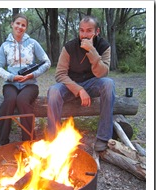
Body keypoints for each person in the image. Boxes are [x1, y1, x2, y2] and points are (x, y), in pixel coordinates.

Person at [47, 15, 115, 151]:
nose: (84, 34)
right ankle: (53, 137)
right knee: (53, 91)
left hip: (93, 83)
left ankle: (103, 137)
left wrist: (91, 51)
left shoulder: (104, 46)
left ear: (97, 32)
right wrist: (79, 90)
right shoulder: (69, 47)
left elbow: (102, 73)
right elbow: (60, 74)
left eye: (89, 30)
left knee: (108, 84)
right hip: (71, 84)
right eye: (81, 30)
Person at [0, 13, 51, 146]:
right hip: (11, 84)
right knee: (10, 100)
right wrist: (11, 77)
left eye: (23, 25)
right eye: (17, 23)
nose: (20, 27)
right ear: (12, 24)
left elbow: (46, 62)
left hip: (30, 84)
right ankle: (2, 141)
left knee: (22, 100)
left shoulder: (32, 43)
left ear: (26, 27)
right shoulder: (5, 46)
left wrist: (33, 75)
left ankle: (29, 141)